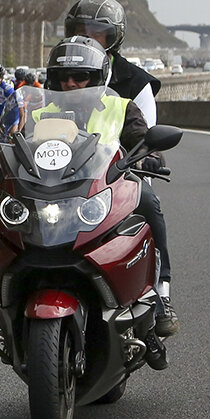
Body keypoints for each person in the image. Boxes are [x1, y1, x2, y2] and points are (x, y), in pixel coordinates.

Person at [34, 37, 177, 341]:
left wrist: (150, 156)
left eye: (80, 76)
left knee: (149, 201)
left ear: (97, 77)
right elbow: (15, 147)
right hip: (51, 194)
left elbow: (142, 138)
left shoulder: (121, 107)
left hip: (107, 190)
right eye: (63, 77)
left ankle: (160, 292)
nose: (70, 83)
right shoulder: (37, 113)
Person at [63, 0, 160, 128]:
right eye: (81, 33)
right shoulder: (59, 77)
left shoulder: (137, 83)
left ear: (112, 37)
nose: (88, 40)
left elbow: (144, 139)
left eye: (96, 33)